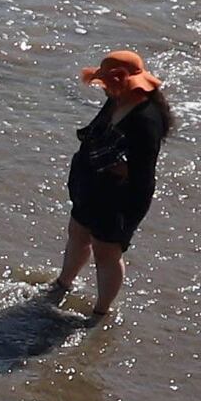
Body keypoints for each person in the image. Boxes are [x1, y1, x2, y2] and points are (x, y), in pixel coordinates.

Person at [49, 48, 174, 322]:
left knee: (106, 251)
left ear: (121, 81)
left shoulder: (146, 119)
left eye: (106, 82)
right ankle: (61, 284)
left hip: (119, 197)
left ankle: (100, 312)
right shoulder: (118, 100)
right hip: (92, 187)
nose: (103, 88)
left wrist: (116, 168)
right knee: (78, 233)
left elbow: (142, 170)